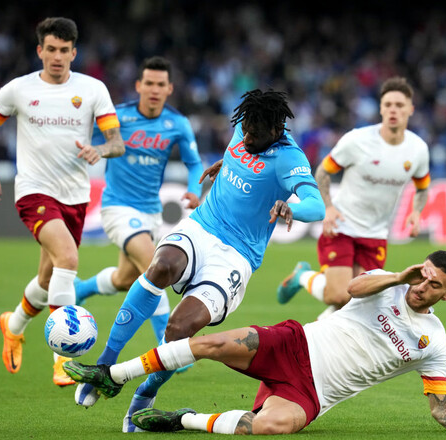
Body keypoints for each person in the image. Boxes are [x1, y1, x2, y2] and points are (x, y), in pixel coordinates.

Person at [73, 88, 325, 432]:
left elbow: (316, 205)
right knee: (161, 266)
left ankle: (146, 394)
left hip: (236, 256)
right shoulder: (245, 129)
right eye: (245, 130)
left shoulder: (289, 158)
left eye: (255, 135)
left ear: (276, 130)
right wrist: (227, 165)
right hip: (202, 225)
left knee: (180, 328)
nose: (246, 138)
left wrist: (291, 207)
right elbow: (243, 158)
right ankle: (105, 366)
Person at [64, 250, 446, 435]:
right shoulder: (387, 284)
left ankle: (182, 420)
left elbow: (440, 406)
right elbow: (350, 290)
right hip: (294, 344)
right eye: (422, 276)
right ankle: (113, 376)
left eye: (434, 285)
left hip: (312, 393)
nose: (422, 287)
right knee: (210, 344)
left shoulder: (434, 342)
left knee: (268, 427)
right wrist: (397, 276)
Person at [0, 17, 124, 386]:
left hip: (75, 196)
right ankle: (63, 359)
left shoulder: (92, 89)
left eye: (64, 50)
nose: (57, 56)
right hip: (34, 191)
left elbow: (117, 143)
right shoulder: (18, 89)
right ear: (40, 50)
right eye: (51, 49)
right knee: (68, 259)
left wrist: (100, 149)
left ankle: (13, 325)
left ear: (74, 52)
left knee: (47, 278)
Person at [73, 56, 203, 346]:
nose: (154, 89)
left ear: (169, 88)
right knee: (154, 267)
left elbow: (194, 163)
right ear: (138, 85)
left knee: (125, 279)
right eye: (149, 83)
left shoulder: (177, 123)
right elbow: (80, 135)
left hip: (151, 213)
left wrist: (195, 190)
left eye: (160, 84)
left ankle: (81, 289)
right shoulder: (118, 117)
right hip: (117, 207)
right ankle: (168, 348)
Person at [277, 77, 430, 319]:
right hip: (342, 225)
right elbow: (323, 171)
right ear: (381, 108)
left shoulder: (418, 149)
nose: (393, 110)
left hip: (376, 233)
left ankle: (320, 327)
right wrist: (328, 208)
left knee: (359, 300)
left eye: (399, 105)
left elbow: (422, 187)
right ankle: (302, 276)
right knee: (339, 295)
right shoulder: (357, 140)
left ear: (410, 109)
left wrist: (416, 212)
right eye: (388, 104)